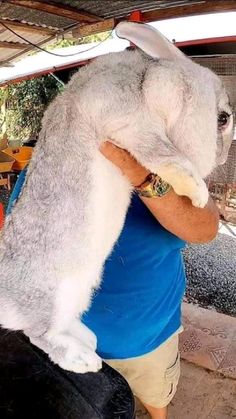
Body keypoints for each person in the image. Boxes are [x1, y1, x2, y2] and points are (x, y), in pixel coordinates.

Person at [81, 142, 219, 419]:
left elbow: (206, 229)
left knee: (156, 396)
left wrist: (137, 171)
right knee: (92, 402)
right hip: (78, 341)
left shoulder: (167, 164)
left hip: (149, 342)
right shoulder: (57, 162)